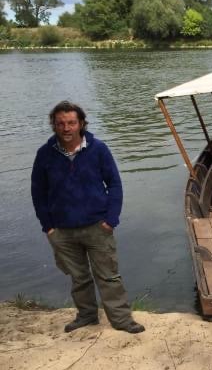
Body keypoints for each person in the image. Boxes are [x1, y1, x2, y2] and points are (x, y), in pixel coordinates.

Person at [31, 101, 145, 334]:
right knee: (78, 277)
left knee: (109, 276)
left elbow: (114, 184)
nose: (66, 128)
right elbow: (38, 192)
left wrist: (110, 219)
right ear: (54, 125)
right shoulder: (44, 154)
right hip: (62, 230)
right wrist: (48, 226)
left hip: (97, 226)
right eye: (60, 123)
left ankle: (121, 320)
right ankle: (86, 316)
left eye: (71, 122)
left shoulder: (98, 149)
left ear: (81, 123)